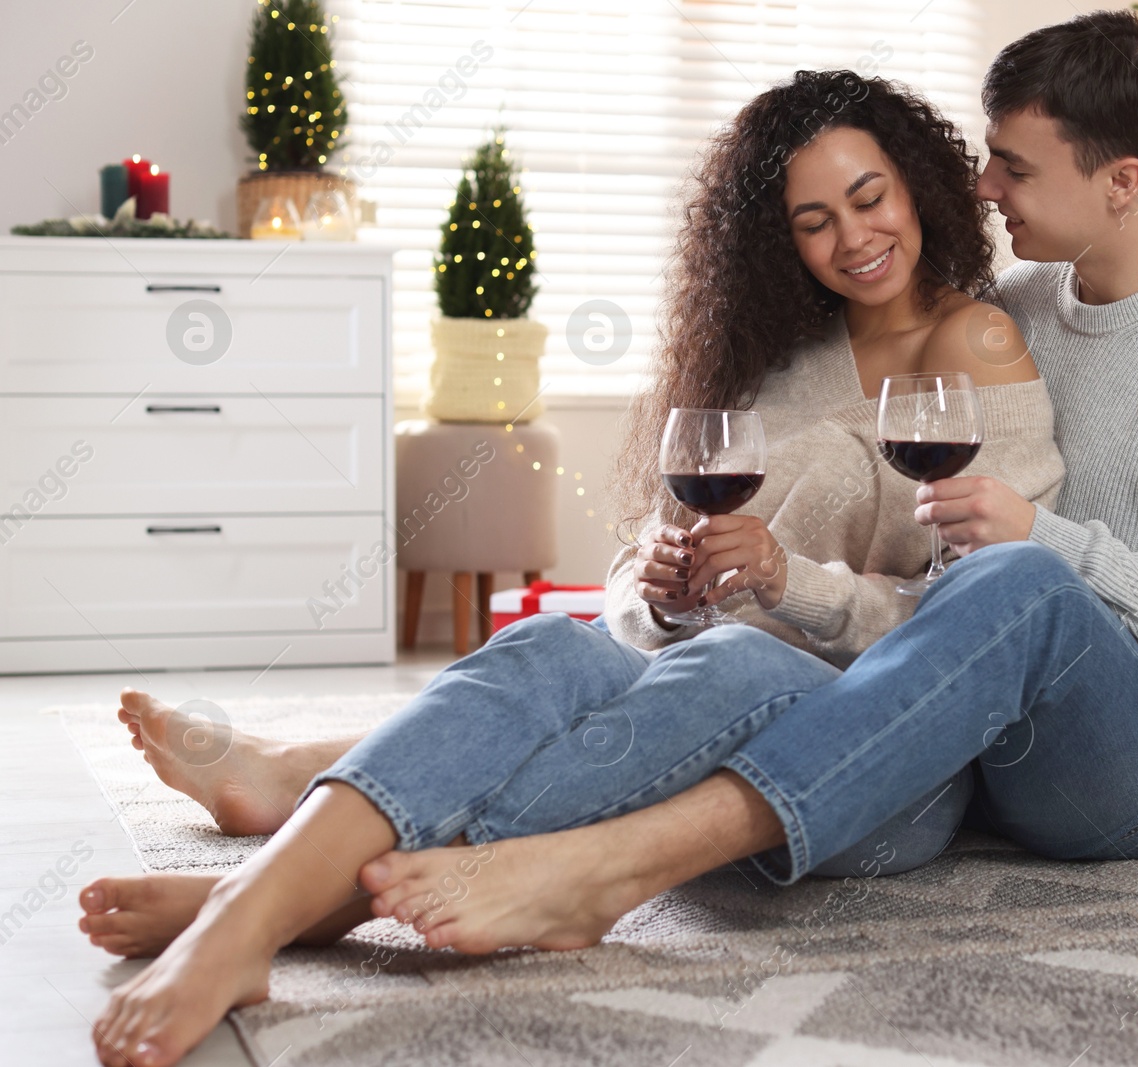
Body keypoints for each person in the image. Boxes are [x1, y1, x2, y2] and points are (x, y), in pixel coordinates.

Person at [82, 71, 1066, 1067]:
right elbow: (657, 572)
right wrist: (662, 581)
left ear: (917, 186)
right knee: (553, 642)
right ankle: (261, 903)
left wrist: (782, 580)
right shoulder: (781, 356)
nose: (852, 239)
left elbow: (984, 628)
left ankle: (281, 900)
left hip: (874, 768)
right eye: (813, 221)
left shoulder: (973, 345)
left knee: (726, 666)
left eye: (869, 197)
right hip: (705, 692)